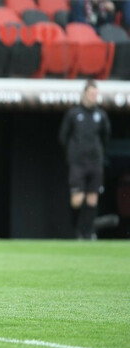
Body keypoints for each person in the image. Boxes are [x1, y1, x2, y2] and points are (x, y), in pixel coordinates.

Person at [58, 80, 111, 240]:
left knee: (92, 199)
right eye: (91, 93)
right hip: (78, 163)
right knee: (77, 199)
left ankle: (88, 233)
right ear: (85, 94)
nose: (94, 96)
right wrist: (73, 153)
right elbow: (63, 136)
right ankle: (76, 230)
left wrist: (98, 153)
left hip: (95, 163)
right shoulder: (74, 114)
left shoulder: (101, 115)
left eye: (96, 94)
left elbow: (106, 137)